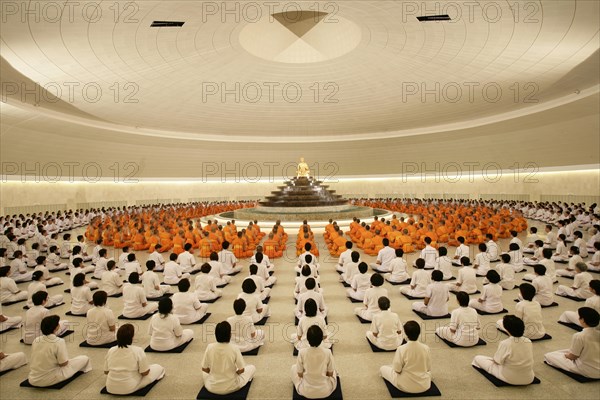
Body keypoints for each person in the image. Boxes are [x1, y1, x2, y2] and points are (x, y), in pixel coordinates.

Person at [28, 315, 92, 387]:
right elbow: (63, 364)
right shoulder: (59, 341)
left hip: (33, 379)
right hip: (50, 378)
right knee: (84, 358)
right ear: (56, 327)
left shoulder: (36, 340)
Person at [472, 315, 535, 385]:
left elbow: (497, 361)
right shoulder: (528, 341)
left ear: (506, 329)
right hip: (529, 378)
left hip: (509, 378)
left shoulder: (505, 343)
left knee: (477, 358)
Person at [104, 323, 165, 394]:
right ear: (132, 337)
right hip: (129, 387)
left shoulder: (111, 350)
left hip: (110, 387)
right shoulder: (137, 350)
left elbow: (106, 372)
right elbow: (145, 373)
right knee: (158, 367)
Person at [202, 321, 256, 395]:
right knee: (252, 368)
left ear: (216, 335)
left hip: (212, 387)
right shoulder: (234, 348)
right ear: (230, 335)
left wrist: (214, 374)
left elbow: (204, 369)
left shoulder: (209, 347)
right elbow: (242, 370)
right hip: (231, 386)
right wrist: (235, 374)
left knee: (203, 373)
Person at [544, 307, 600, 379]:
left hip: (586, 369)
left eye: (579, 317)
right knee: (567, 350)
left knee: (549, 356)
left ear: (583, 320)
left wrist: (566, 356)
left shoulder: (579, 336)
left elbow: (573, 357)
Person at [380, 321, 432, 393]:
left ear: (406, 334)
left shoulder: (401, 349)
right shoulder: (426, 348)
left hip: (405, 386)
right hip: (424, 386)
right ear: (419, 333)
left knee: (383, 368)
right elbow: (428, 369)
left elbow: (397, 370)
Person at [292, 325, 337, 399]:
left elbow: (300, 374)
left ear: (307, 339)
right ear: (321, 339)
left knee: (293, 368)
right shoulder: (328, 352)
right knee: (334, 371)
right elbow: (330, 373)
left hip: (306, 391)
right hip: (325, 391)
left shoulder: (302, 352)